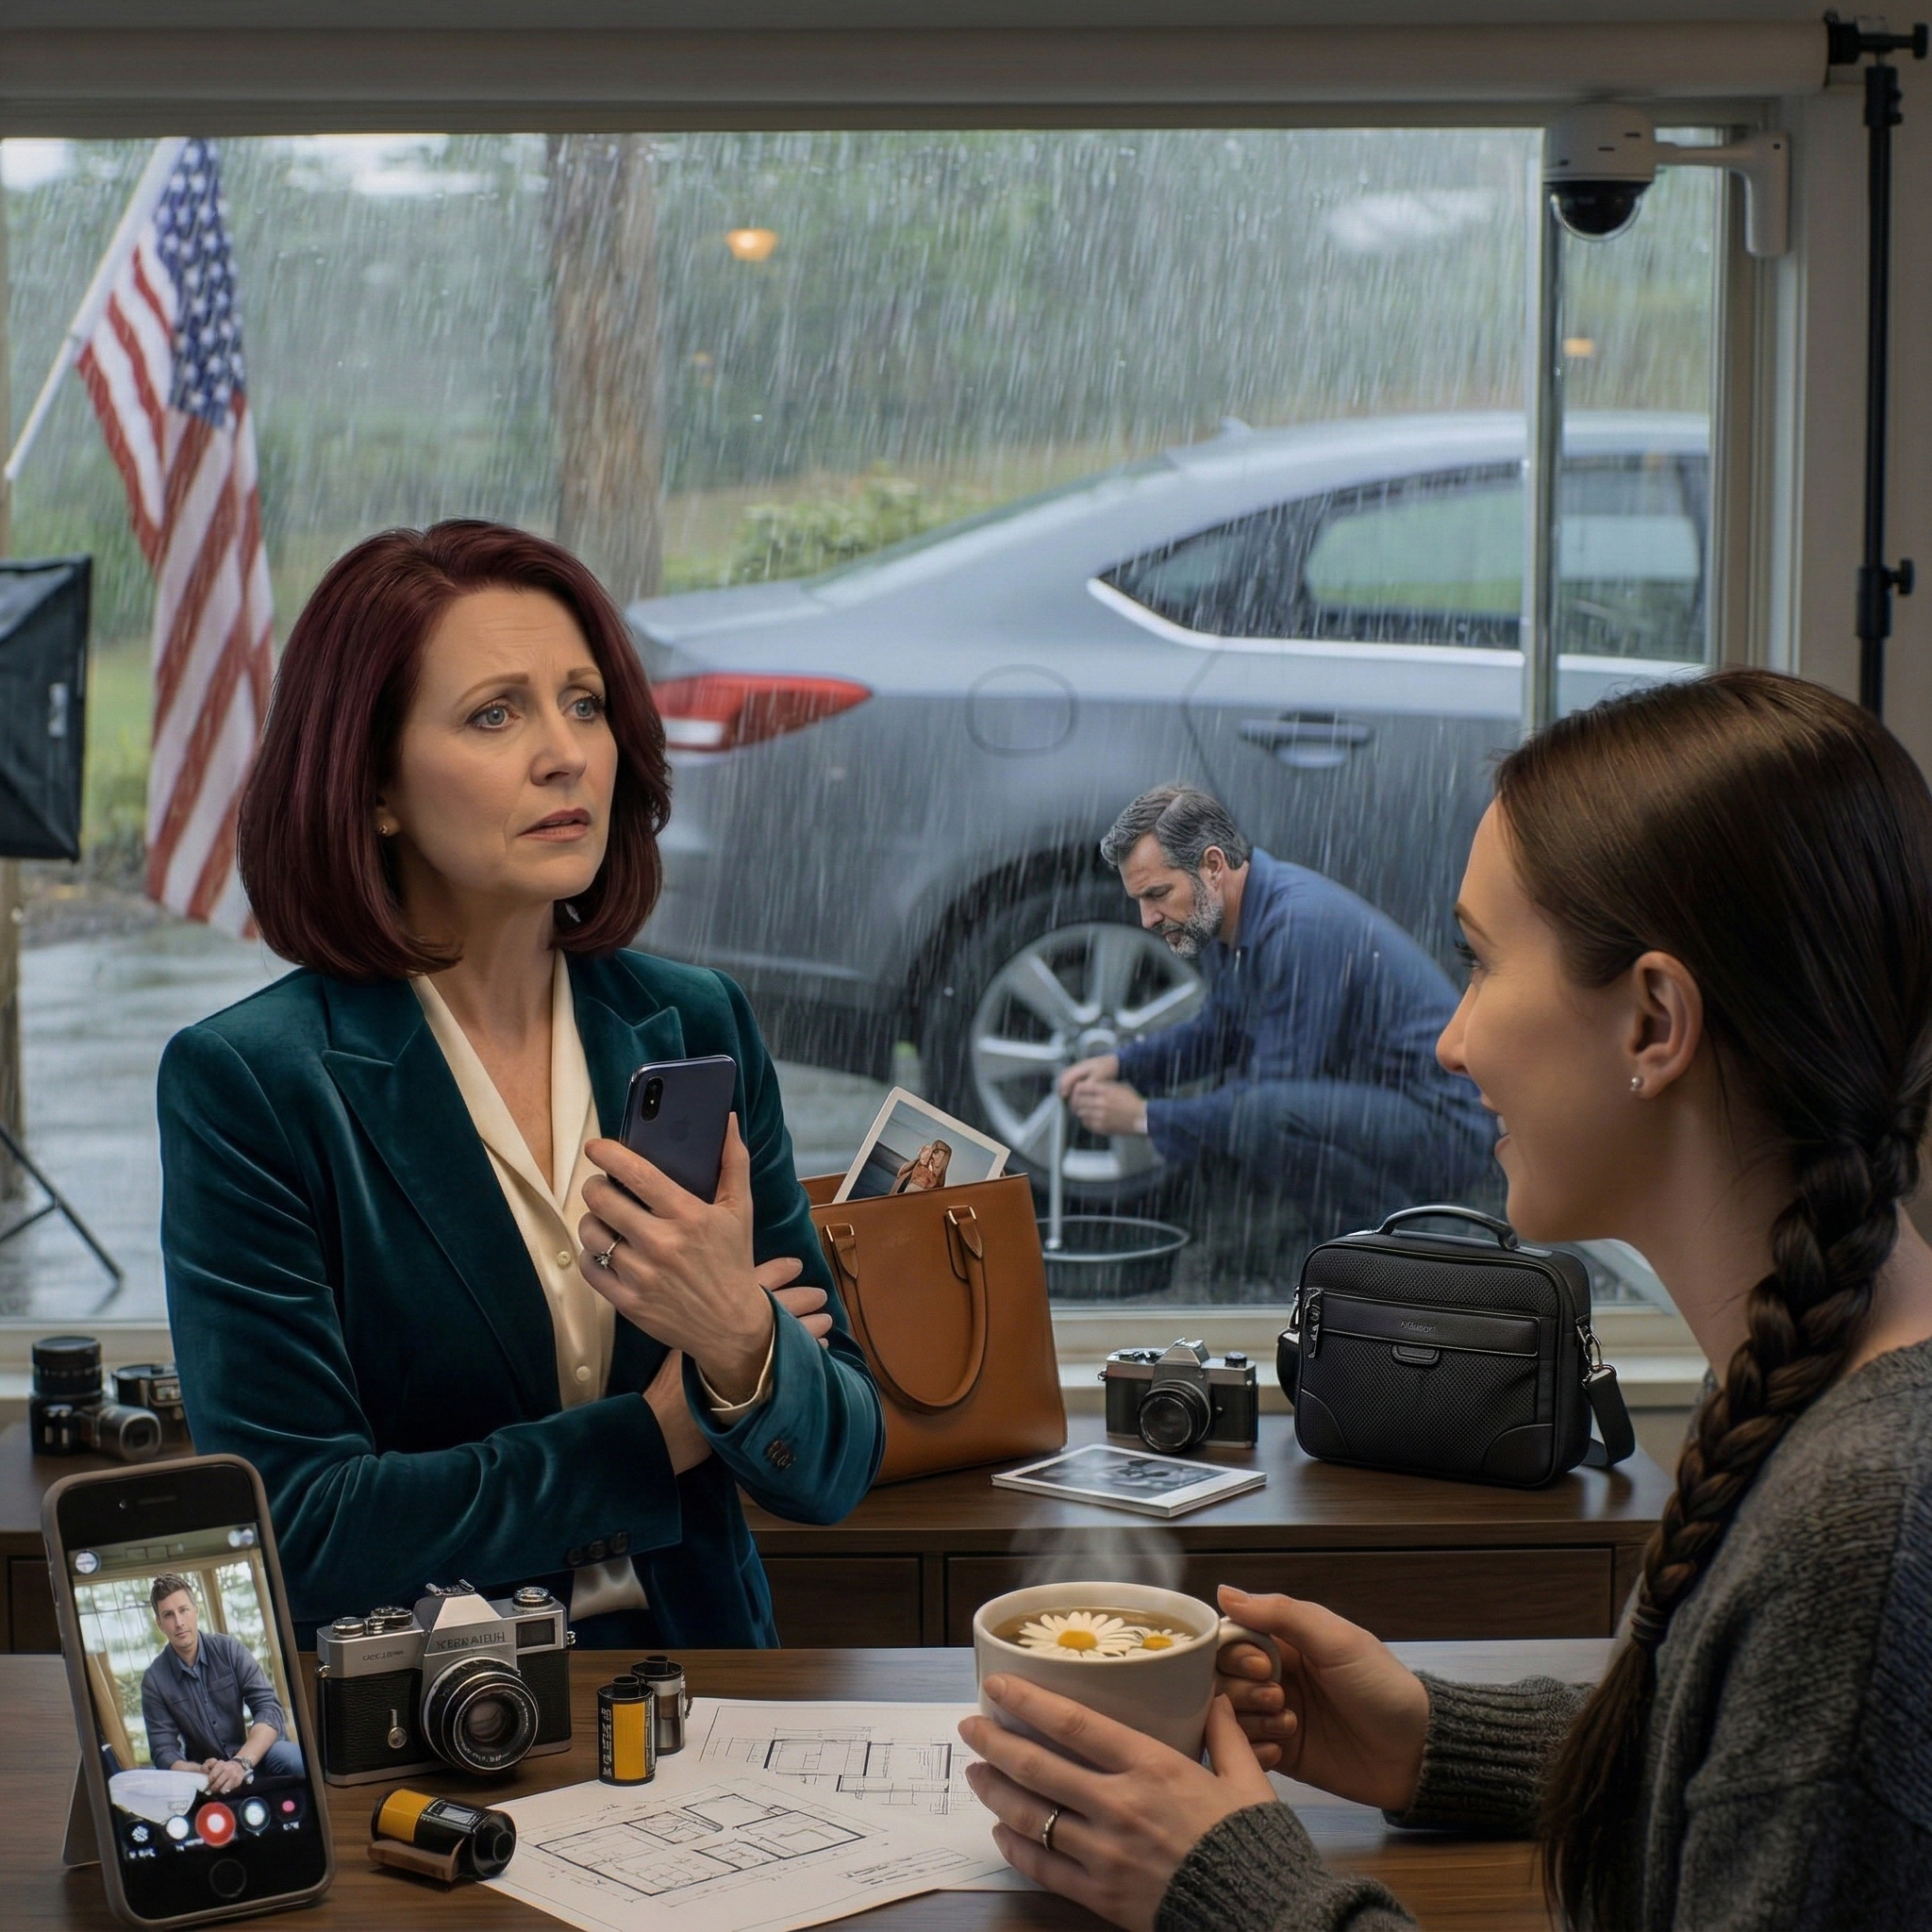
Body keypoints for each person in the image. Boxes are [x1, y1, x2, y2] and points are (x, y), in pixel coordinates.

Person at [964, 669, 1932, 1930]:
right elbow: (1740, 1765)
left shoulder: (1859, 1543)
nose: (1449, 1040)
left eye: (1478, 965)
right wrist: (1434, 1739)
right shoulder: (1822, 1406)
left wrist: (1236, 1895)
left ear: (1654, 1021)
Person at [159, 520, 884, 1647]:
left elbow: (833, 1462)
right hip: (434, 1729)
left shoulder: (694, 1022)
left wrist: (738, 1346)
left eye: (584, 703)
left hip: (709, 1702)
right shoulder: (250, 1085)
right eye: (494, 713)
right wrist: (651, 1436)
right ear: (376, 785)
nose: (565, 754)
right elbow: (303, 1533)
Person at [1058, 786, 1491, 1235]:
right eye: (1140, 901)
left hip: (1447, 1129)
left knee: (1266, 1119)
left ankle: (1408, 1251)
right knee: (1265, 1116)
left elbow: (1264, 1102)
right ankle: (1363, 1247)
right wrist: (1121, 1063)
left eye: (1157, 894)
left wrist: (1143, 1117)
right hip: (1387, 1104)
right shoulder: (1221, 915)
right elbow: (1220, 1031)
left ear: (1212, 866)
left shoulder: (1297, 928)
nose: (1147, 919)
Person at [140, 1575, 304, 1790]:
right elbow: (163, 1750)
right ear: (160, 1624)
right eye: (168, 1615)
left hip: (253, 1757)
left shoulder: (229, 1650)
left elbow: (268, 1708)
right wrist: (197, 1770)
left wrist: (240, 1763)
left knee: (295, 1759)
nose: (179, 1622)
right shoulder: (154, 1680)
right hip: (203, 1772)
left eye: (183, 1610)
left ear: (196, 1611)